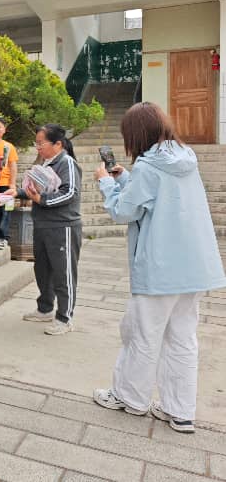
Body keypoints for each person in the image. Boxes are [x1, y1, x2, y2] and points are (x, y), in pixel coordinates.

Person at [92, 102, 226, 433]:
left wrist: (106, 183)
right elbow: (157, 199)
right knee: (182, 338)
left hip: (160, 267)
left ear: (136, 134)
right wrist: (125, 178)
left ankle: (130, 398)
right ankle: (179, 411)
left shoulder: (148, 167)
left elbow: (124, 212)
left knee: (142, 334)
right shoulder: (184, 158)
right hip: (193, 268)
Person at [22, 124, 82, 336]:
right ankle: (45, 308)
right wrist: (18, 193)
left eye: (41, 143)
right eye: (36, 143)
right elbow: (35, 190)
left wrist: (42, 199)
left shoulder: (67, 163)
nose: (38, 147)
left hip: (62, 226)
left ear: (58, 144)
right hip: (43, 224)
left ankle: (65, 318)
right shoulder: (46, 163)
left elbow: (70, 193)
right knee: (43, 270)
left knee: (63, 273)